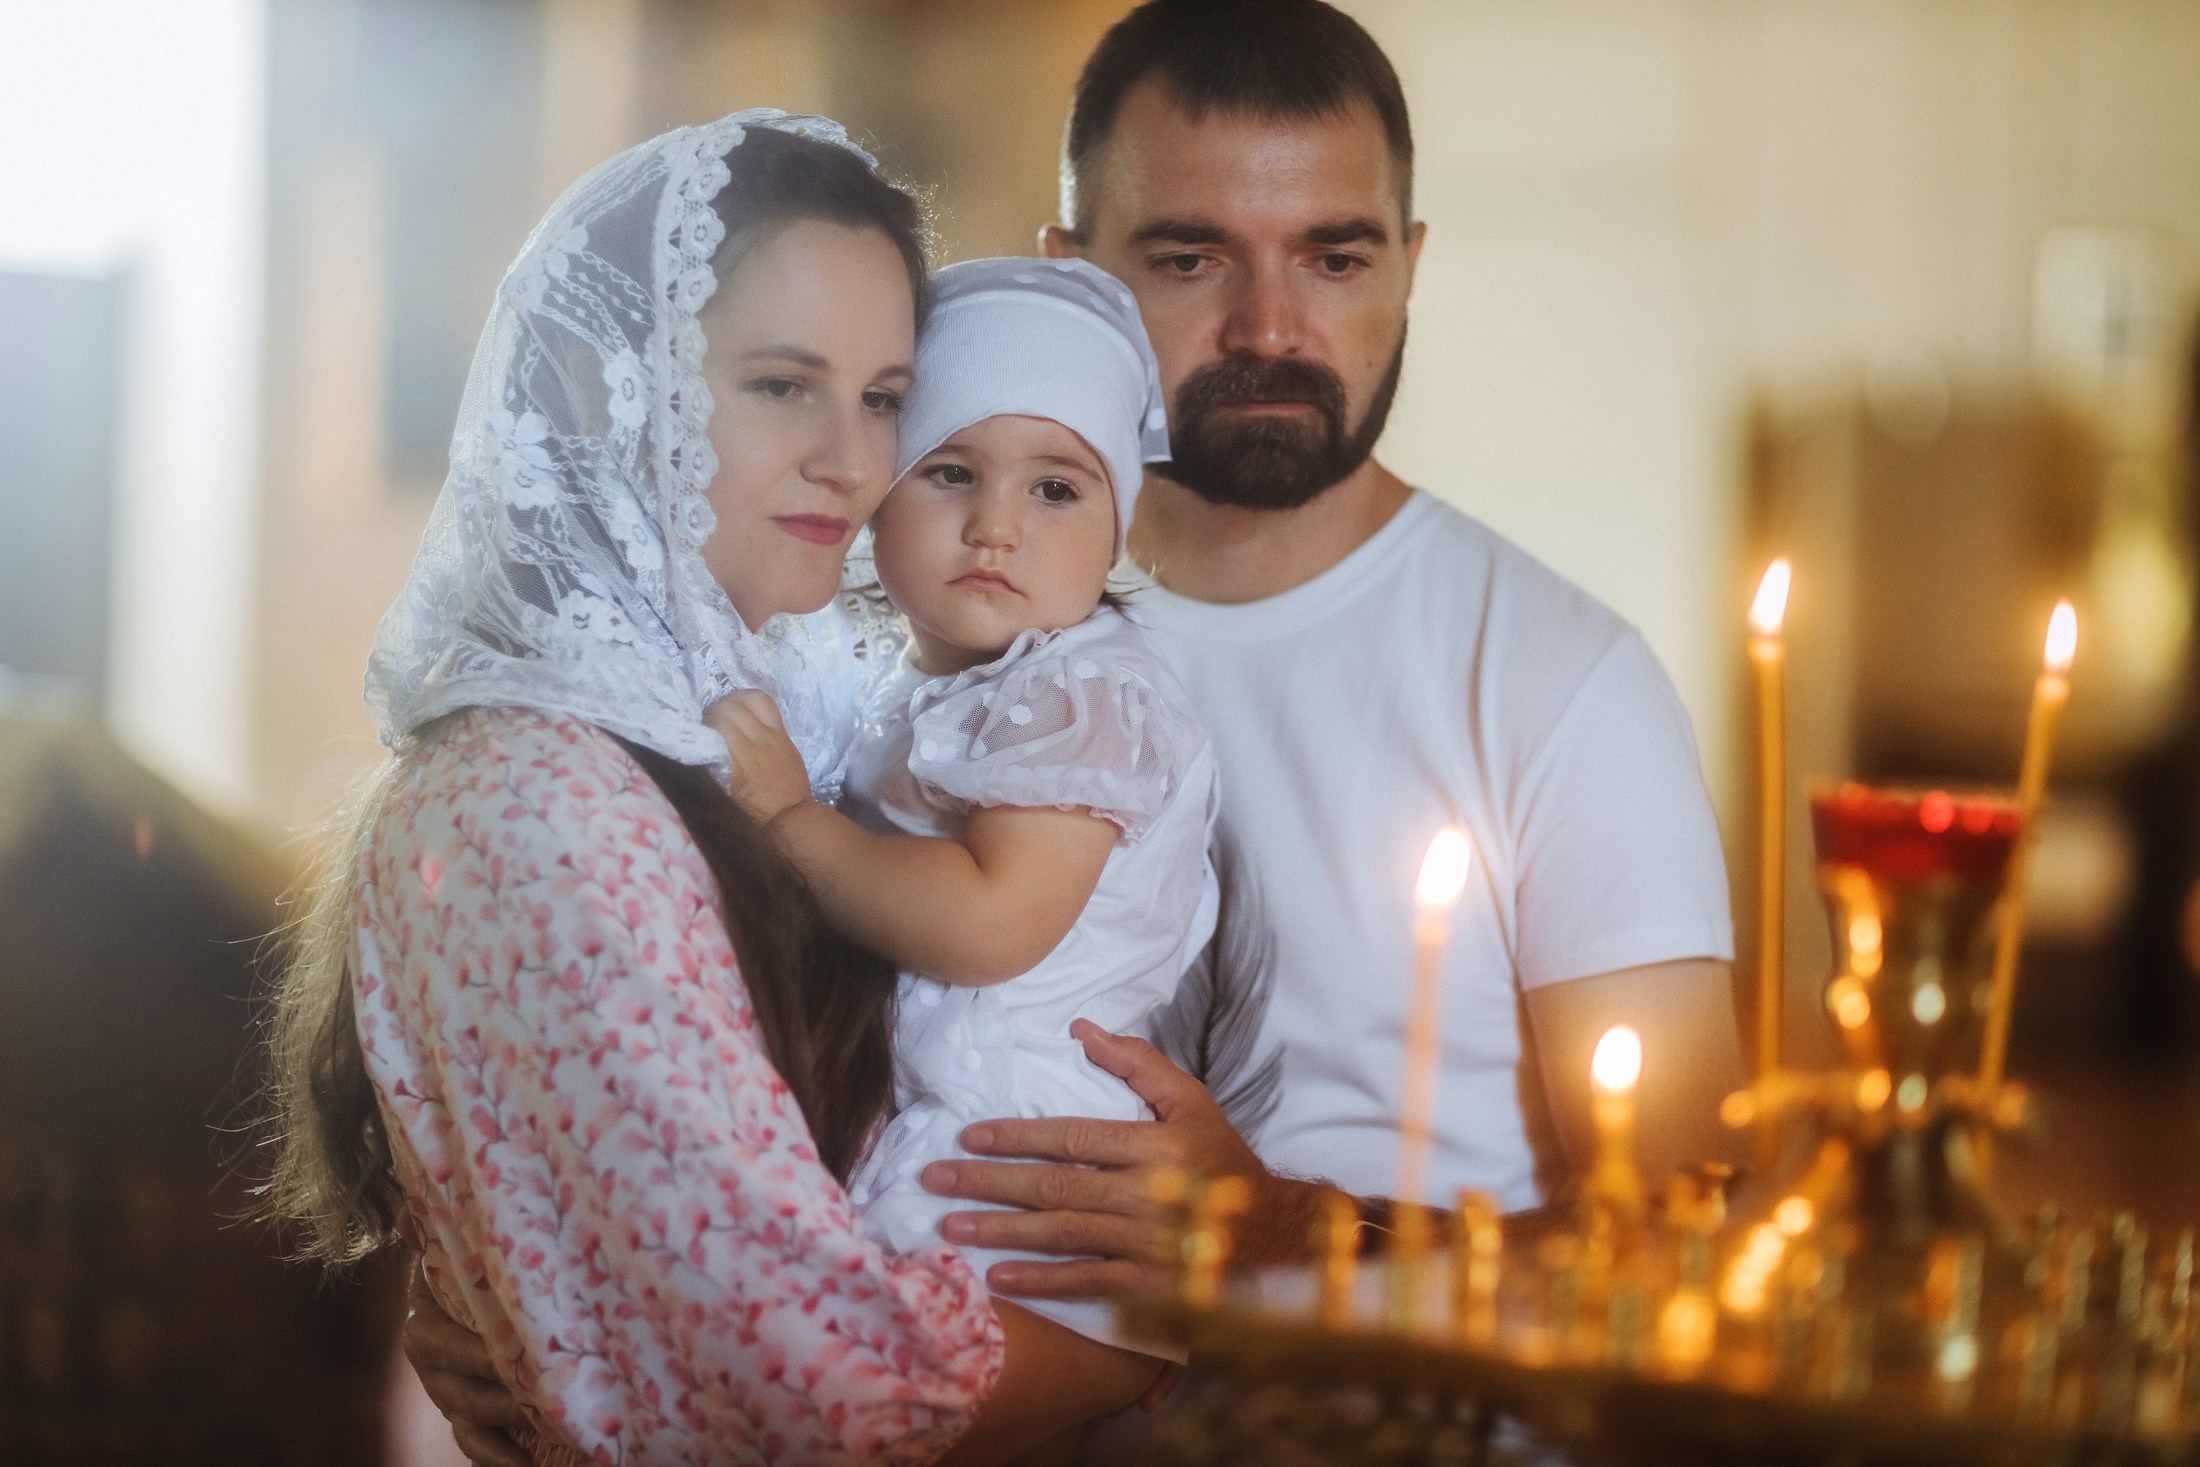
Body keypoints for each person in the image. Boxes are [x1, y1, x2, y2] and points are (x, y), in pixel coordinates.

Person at [405, 0, 1751, 1454]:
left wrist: (1308, 1235)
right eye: (1188, 256)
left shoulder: (1558, 680)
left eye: (1336, 255)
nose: (1270, 326)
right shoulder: (890, 645)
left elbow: (1708, 1250)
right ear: (1074, 280)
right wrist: (558, 1311)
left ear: (1409, 267)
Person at [262, 111, 1177, 1466]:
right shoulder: (539, 805)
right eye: (779, 384)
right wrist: (1179, 1341)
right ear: (610, 387)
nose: (851, 462)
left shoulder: (750, 719)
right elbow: (826, 1386)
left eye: (880, 398)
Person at [708, 256, 1222, 1360]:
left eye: (1054, 489)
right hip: (940, 1125)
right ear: (875, 494)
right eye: (950, 473)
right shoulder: (925, 684)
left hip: (1027, 1173)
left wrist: (794, 824)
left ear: (1116, 529)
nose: (996, 526)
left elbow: (991, 924)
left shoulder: (1082, 696)